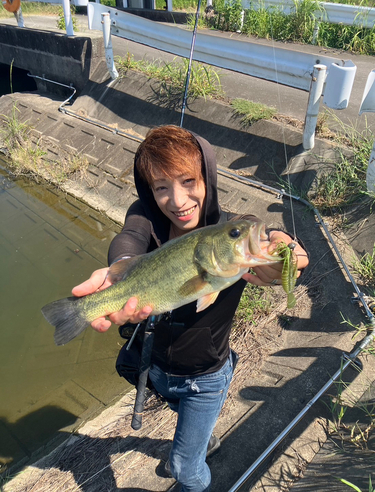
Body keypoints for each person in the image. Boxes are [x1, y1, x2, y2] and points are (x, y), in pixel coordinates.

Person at [72, 125, 309, 492]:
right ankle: (203, 438)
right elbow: (128, 242)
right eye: (161, 187)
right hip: (156, 369)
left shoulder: (230, 230)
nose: (177, 200)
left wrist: (285, 256)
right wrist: (117, 269)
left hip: (204, 377)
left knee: (184, 467)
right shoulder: (145, 216)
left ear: (208, 179)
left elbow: (270, 240)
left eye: (188, 181)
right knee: (184, 420)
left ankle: (195, 462)